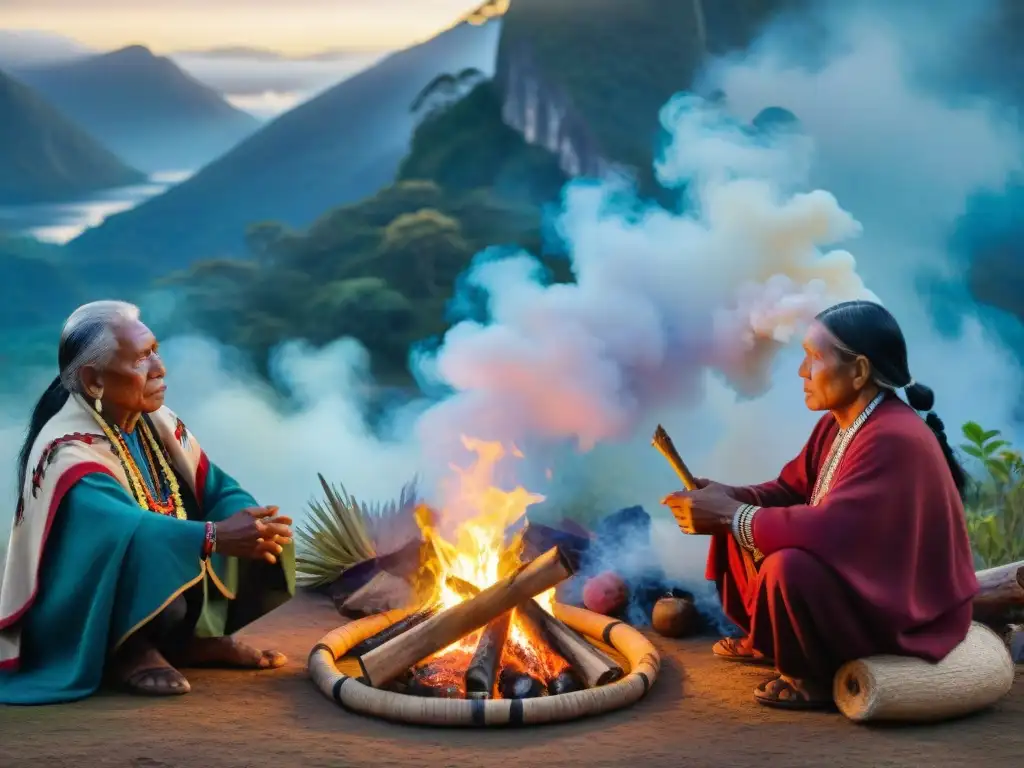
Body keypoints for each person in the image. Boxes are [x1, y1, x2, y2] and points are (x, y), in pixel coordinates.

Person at [662, 300, 979, 711]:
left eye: (814, 358)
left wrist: (730, 514)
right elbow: (788, 490)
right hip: (859, 588)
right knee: (738, 518)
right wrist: (727, 497)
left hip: (900, 612)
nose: (802, 372)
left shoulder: (891, 437)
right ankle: (771, 638)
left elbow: (833, 529)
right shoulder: (839, 423)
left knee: (785, 566)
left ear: (859, 370)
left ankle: (808, 675)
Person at [0, 301, 297, 704]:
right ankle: (130, 650)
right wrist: (214, 536)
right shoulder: (66, 450)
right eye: (141, 358)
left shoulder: (152, 419)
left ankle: (192, 641)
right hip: (79, 602)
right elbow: (121, 530)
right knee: (154, 544)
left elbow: (217, 486)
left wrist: (248, 521)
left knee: (247, 530)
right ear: (93, 380)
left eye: (155, 350)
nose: (160, 368)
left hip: (165, 557)